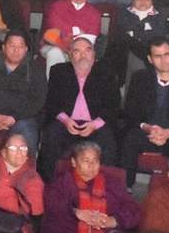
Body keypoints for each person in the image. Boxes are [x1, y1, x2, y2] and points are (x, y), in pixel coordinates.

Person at [39, 36, 122, 176]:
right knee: (51, 134)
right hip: (67, 122)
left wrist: (95, 124)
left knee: (109, 139)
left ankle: (105, 187)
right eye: (77, 51)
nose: (83, 55)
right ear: (70, 56)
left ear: (94, 54)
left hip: (94, 124)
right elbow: (51, 102)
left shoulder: (106, 73)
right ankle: (47, 183)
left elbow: (113, 105)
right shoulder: (59, 71)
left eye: (87, 50)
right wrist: (65, 120)